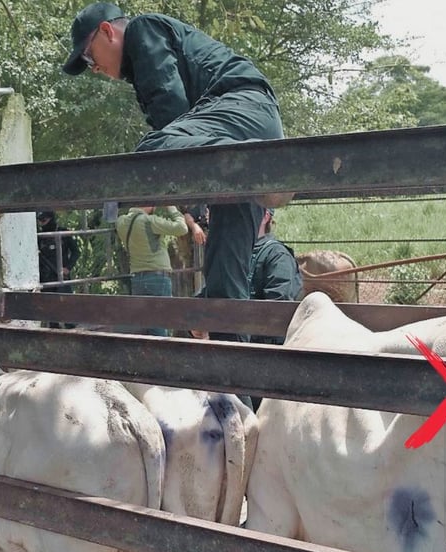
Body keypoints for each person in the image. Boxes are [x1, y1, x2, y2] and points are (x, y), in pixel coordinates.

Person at [62, 2, 291, 342]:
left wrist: (176, 188)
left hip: (241, 109)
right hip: (245, 131)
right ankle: (235, 372)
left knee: (149, 153)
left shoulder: (142, 31)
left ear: (107, 31)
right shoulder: (146, 54)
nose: (93, 68)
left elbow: (170, 111)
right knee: (224, 281)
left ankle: (259, 169)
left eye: (88, 56)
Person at [117, 205, 189, 335]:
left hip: (137, 279)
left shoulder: (121, 222)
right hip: (158, 278)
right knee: (160, 324)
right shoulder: (150, 221)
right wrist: (172, 208)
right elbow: (182, 228)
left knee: (143, 325)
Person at [248, 208, 303, 345]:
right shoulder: (237, 254)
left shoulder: (278, 256)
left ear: (266, 216)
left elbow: (277, 306)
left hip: (264, 345)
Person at [37, 210, 80, 293]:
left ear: (51, 219)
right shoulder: (39, 237)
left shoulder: (64, 233)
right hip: (45, 278)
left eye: (44, 220)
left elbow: (76, 252)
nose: (41, 224)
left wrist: (68, 267)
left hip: (62, 276)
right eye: (39, 221)